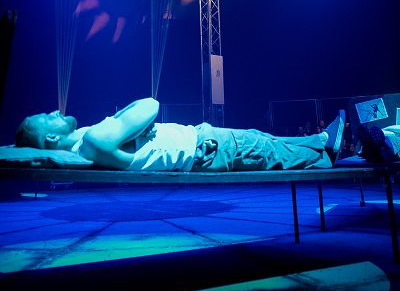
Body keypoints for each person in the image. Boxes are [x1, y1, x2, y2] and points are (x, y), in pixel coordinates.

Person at [15, 98, 346, 172]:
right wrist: (128, 121)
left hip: (203, 146)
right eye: (47, 118)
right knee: (268, 150)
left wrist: (132, 126)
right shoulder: (93, 140)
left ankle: (319, 143)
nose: (54, 111)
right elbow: (150, 104)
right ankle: (324, 154)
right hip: (204, 148)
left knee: (265, 141)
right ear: (51, 140)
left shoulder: (89, 145)